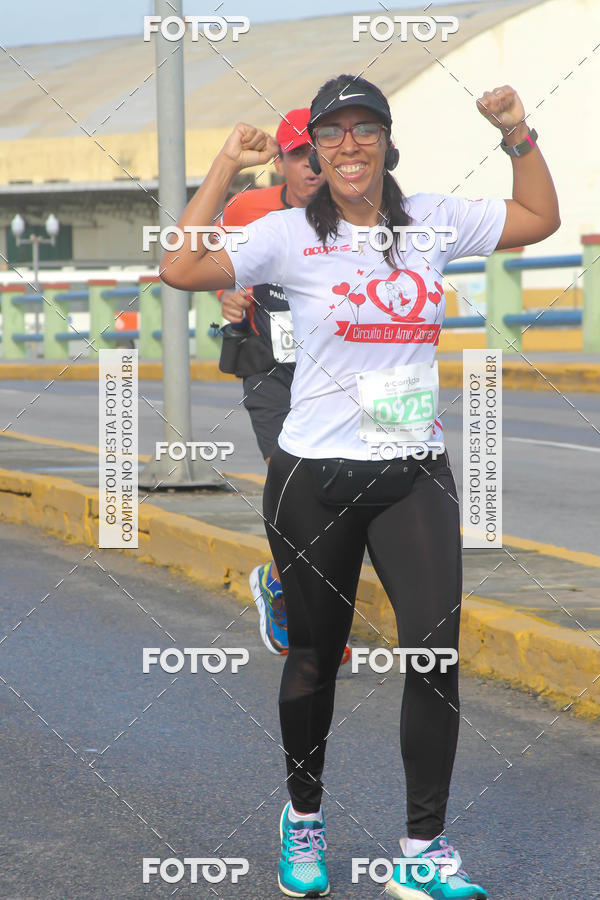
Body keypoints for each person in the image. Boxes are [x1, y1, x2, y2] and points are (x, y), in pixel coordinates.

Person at [160, 75, 559, 899]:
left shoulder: (431, 221)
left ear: (385, 141)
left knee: (435, 652)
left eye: (363, 128)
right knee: (316, 656)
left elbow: (537, 217)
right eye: (331, 133)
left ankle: (423, 850)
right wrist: (226, 165)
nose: (348, 145)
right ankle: (304, 817)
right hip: (313, 478)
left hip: (412, 472)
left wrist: (517, 132)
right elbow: (180, 265)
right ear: (315, 150)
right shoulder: (286, 235)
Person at [218, 108, 325, 657]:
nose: (312, 166)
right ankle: (290, 595)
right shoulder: (248, 208)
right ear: (280, 162)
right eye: (299, 155)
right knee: (291, 481)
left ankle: (286, 580)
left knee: (341, 487)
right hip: (268, 367)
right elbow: (204, 260)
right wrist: (227, 295)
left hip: (333, 370)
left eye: (319, 154)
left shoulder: (359, 209)